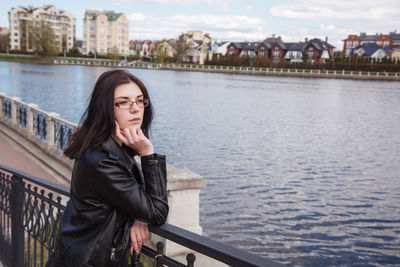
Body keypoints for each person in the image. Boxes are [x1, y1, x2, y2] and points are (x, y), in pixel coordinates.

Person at [46, 69, 169, 267]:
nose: (136, 108)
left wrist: (140, 216)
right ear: (105, 107)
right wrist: (148, 154)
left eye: (139, 100)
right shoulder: (101, 161)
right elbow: (158, 211)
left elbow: (140, 199)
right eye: (124, 102)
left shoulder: (107, 146)